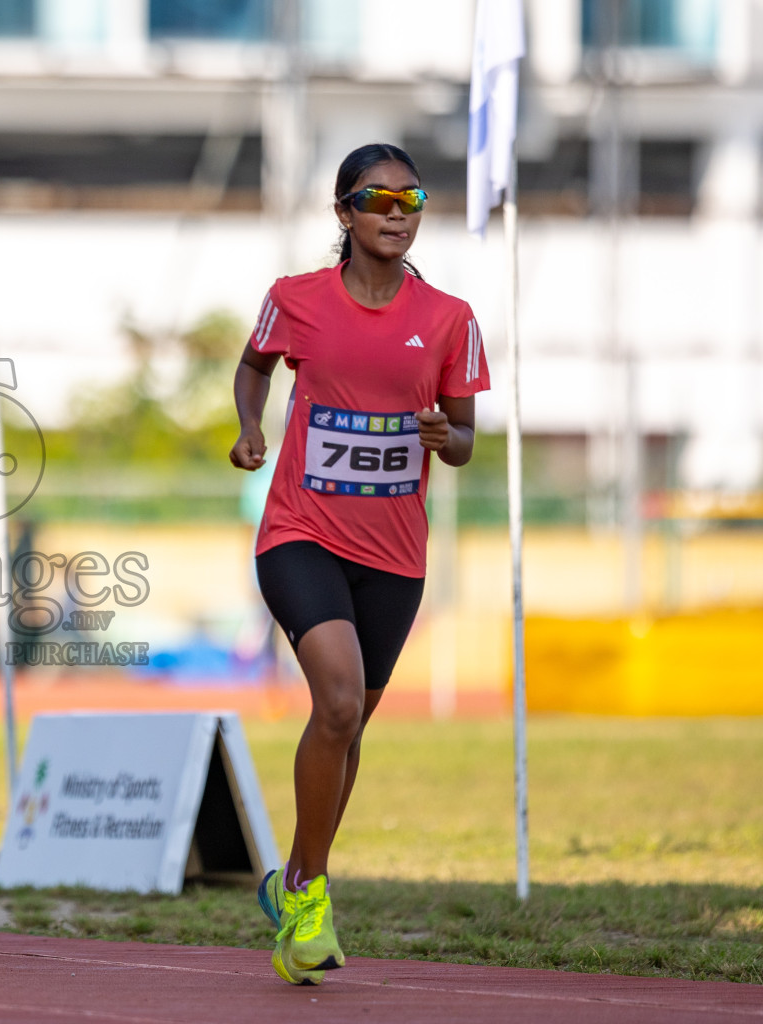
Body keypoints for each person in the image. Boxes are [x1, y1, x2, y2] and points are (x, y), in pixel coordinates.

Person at [230, 143, 489, 986]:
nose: (397, 212)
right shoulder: (295, 299)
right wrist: (252, 427)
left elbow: (463, 441)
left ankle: (295, 877)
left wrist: (451, 441)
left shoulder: (450, 317)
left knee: (349, 728)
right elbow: (252, 366)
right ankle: (310, 894)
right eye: (378, 199)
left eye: (411, 198)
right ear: (344, 213)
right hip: (301, 534)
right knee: (336, 702)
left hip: (395, 556)